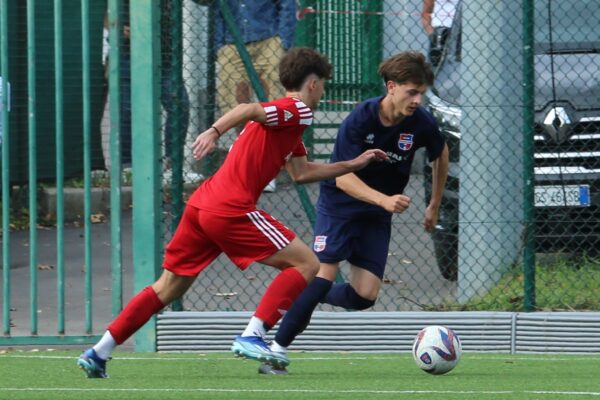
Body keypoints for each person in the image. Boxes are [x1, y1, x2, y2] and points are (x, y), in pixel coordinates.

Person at [77, 47, 389, 378]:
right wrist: (214, 131)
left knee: (168, 286)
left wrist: (353, 164)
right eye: (324, 84)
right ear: (312, 84)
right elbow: (248, 107)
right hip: (230, 207)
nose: (323, 91)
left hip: (202, 205)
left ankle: (99, 351)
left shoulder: (288, 126)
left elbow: (301, 172)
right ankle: (253, 334)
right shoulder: (297, 110)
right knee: (307, 263)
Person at [259, 51, 449, 375]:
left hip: (376, 214)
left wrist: (434, 203)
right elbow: (342, 177)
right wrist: (385, 200)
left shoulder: (421, 122)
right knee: (322, 276)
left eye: (421, 93)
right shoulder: (360, 119)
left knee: (364, 295)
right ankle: (275, 352)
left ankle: (308, 292)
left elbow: (440, 153)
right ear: (391, 87)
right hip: (341, 207)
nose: (418, 99)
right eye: (411, 91)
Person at [200, 0, 297, 192]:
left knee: (273, 105)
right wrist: (219, 46)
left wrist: (283, 40)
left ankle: (266, 168)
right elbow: (215, 6)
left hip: (268, 38)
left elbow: (287, 3)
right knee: (234, 105)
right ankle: (249, 164)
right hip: (231, 41)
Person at [114, 0, 190, 167]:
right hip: (131, 56)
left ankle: (172, 162)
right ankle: (127, 165)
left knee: (179, 106)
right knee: (128, 111)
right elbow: (109, 14)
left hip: (165, 56)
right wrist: (118, 28)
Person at [421, 0, 458, 67]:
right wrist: (431, 34)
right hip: (439, 33)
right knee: (436, 66)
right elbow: (425, 14)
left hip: (458, 31)